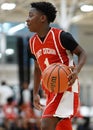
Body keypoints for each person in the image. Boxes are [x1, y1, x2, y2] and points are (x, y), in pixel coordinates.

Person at [26, 1, 87, 130]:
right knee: (62, 127)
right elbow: (37, 68)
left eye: (31, 16)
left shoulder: (62, 36)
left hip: (66, 87)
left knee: (47, 123)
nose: (27, 20)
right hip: (50, 89)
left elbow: (82, 53)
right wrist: (35, 93)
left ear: (43, 18)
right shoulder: (31, 43)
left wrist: (76, 70)